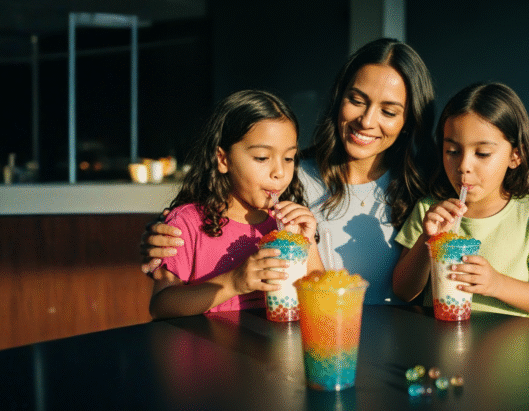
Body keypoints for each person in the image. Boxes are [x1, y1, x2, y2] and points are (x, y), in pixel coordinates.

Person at [141, 38, 436, 305]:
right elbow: (219, 212)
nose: (367, 120)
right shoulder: (290, 180)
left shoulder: (424, 191)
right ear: (338, 99)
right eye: (356, 100)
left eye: (388, 111)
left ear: (410, 120)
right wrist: (165, 236)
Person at [392, 82, 529, 318]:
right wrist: (429, 239)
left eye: (482, 153)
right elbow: (403, 292)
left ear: (516, 155)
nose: (464, 166)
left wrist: (496, 284)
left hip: (510, 351)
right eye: (452, 151)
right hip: (443, 347)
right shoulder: (430, 210)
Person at [149, 90, 323, 320]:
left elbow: (320, 299)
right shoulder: (187, 224)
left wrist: (305, 244)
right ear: (223, 159)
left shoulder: (284, 224)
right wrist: (233, 282)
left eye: (289, 158)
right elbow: (162, 305)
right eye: (262, 157)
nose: (279, 172)